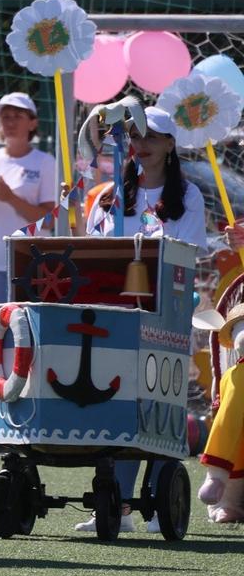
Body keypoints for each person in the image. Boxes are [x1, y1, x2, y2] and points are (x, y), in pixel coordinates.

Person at [77, 105, 206, 535]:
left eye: (153, 136)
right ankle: (116, 506)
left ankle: (157, 503)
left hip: (166, 313)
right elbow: (94, 251)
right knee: (118, 405)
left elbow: (183, 256)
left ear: (171, 144)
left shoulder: (187, 197)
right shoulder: (110, 193)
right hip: (117, 314)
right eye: (135, 134)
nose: (142, 143)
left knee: (160, 402)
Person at [0, 92, 56, 321]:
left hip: (31, 260)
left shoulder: (45, 162)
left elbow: (49, 219)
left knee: (30, 326)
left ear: (33, 122)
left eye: (18, 116)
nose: (10, 122)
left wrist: (11, 198)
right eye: (5, 116)